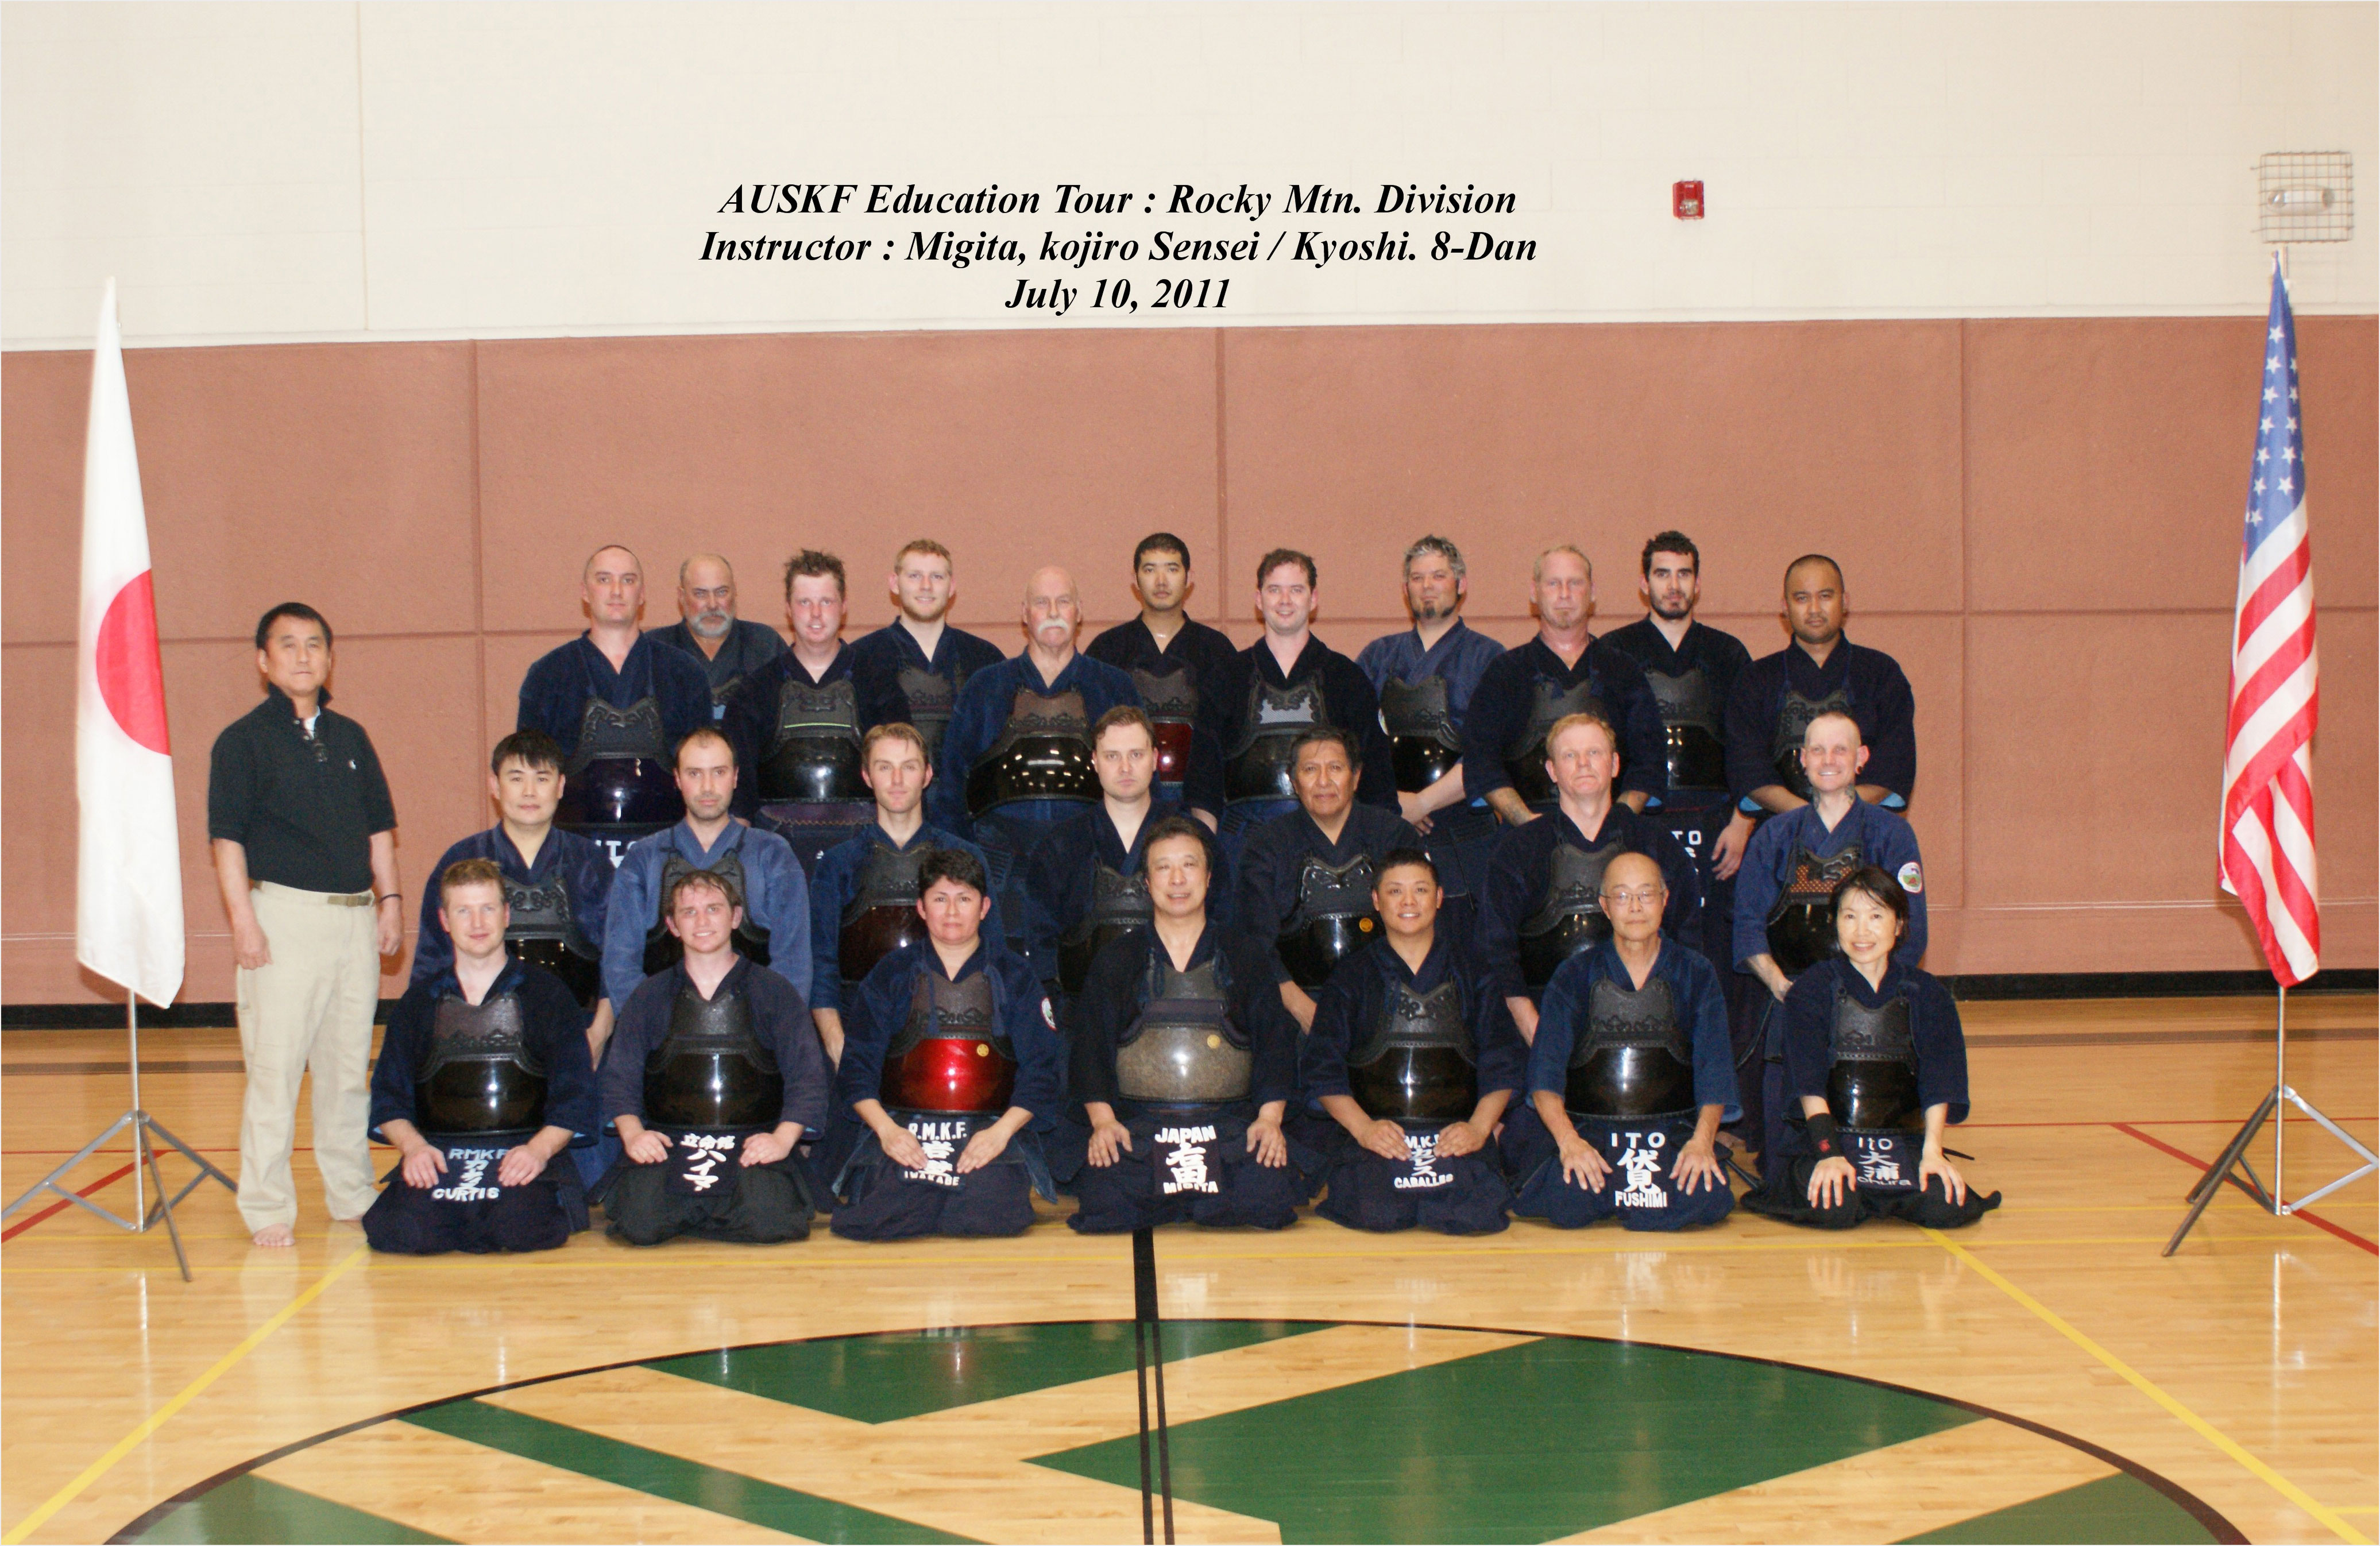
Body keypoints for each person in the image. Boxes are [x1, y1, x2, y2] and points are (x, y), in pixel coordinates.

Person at [208, 602, 403, 1250]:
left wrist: (390, 899)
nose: (301, 655)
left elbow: (379, 828)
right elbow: (227, 840)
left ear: (329, 657)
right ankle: (265, 1202)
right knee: (276, 1067)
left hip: (353, 921)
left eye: (313, 643)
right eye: (286, 645)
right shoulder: (241, 742)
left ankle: (350, 1191)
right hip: (284, 919)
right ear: (263, 661)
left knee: (348, 1069)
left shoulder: (351, 736)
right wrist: (244, 923)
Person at [1066, 817, 1304, 1232]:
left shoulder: (1245, 954)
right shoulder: (1117, 959)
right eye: (1163, 867)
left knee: (1268, 1196)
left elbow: (1275, 1044)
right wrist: (1104, 1123)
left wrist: (1269, 1120)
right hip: (1143, 1125)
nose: (1177, 879)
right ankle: (1190, 1200)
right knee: (1105, 1199)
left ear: (1209, 878)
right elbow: (1091, 1048)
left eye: (1189, 866)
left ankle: (1179, 1200)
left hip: (1227, 1125)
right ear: (1146, 881)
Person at [1600, 532, 1759, 1129]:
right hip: (1641, 824)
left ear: (1698, 581)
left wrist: (1744, 818)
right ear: (1643, 583)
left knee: (1710, 962)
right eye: (1662, 574)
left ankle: (1720, 1107)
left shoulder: (1727, 653)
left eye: (1683, 573)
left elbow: (1747, 744)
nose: (1673, 585)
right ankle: (1639, 1095)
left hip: (1716, 824)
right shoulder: (1614, 652)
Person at [824, 849, 1065, 1239]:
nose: (952, 912)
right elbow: (857, 1068)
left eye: (964, 899)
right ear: (921, 908)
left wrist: (1000, 1135)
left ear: (985, 907)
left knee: (992, 1216)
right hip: (906, 1124)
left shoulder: (1015, 975)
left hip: (986, 1127)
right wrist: (887, 1132)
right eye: (940, 899)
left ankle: (938, 1197)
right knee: (875, 1220)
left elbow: (1042, 1072)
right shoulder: (891, 974)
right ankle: (927, 1195)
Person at [364, 860, 597, 1254]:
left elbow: (576, 1096)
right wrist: (414, 1148)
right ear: (444, 920)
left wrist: (538, 1152)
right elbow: (388, 1097)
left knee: (519, 1230)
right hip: (441, 1152)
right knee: (399, 1233)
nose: (477, 922)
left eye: (488, 908)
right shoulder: (418, 1003)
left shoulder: (548, 996)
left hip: (521, 1149)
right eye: (463, 911)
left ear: (507, 915)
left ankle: (481, 1216)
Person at [1745, 867, 1997, 1230]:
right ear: (1835, 924)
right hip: (1827, 1138)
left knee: (1945, 1207)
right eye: (1850, 917)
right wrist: (1828, 1154)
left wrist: (1932, 1153)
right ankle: (1866, 1195)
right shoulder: (1812, 989)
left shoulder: (1928, 993)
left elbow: (1941, 1080)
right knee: (1835, 1206)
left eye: (1876, 916)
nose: (1862, 931)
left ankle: (1884, 1195)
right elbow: (1808, 1082)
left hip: (1898, 1141)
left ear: (1899, 925)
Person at [1504, 852, 1738, 1231]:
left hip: (1668, 1129)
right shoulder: (1573, 974)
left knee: (1706, 1199)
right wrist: (1569, 1143)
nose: (1635, 907)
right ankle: (1628, 1198)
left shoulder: (1696, 971)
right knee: (1569, 1205)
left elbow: (1716, 1066)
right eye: (1622, 896)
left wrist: (1702, 1142)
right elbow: (1545, 1074)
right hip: (1593, 1130)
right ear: (1604, 906)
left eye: (1646, 895)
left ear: (1665, 900)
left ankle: (1627, 1198)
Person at [597, 868, 830, 1245]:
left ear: (736, 917)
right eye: (688, 912)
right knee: (641, 1225)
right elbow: (621, 1074)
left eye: (713, 909)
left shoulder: (774, 991)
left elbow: (807, 1076)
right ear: (672, 925)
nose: (702, 921)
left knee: (770, 1224)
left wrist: (782, 1140)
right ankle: (704, 1210)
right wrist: (634, 1134)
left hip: (750, 1140)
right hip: (672, 1141)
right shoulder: (650, 996)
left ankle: (708, 1210)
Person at [1734, 710, 1928, 1160]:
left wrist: (1869, 994)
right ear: (1801, 759)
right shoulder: (1774, 835)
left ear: (1861, 758)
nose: (1828, 760)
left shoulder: (1893, 834)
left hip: (1869, 1002)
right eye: (1817, 750)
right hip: (1791, 997)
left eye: (1840, 750)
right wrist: (1779, 984)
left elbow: (1911, 928)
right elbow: (1747, 925)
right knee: (1785, 1160)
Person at [1299, 850, 1521, 1235]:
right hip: (1379, 1134)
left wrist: (1479, 1129)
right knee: (1378, 1214)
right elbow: (1322, 1068)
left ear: (1438, 897)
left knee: (1472, 1216)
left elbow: (1502, 1060)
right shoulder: (1352, 976)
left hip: (1453, 1133)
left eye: (1420, 890)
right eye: (1395, 891)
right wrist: (1365, 1129)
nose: (1408, 902)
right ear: (1376, 900)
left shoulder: (1473, 970)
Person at [930, 566, 1140, 954]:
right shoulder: (986, 688)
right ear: (1025, 613)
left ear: (1080, 611)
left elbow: (1144, 787)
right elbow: (952, 793)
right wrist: (962, 875)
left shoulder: (1114, 687)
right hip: (1002, 869)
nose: (1054, 611)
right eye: (1042, 603)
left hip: (1091, 865)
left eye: (1063, 601)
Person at [1477, 713, 1698, 1049]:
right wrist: (1536, 1032)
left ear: (1614, 764)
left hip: (1647, 1024)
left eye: (1594, 753)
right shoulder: (1518, 849)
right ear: (1552, 771)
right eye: (1569, 755)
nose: (1583, 764)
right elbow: (1496, 949)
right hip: (1544, 1019)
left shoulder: (1654, 843)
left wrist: (1673, 1020)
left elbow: (1688, 938)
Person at [806, 723, 1000, 1067]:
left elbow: (995, 959)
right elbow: (823, 966)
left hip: (952, 1028)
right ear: (867, 776)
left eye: (909, 767)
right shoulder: (837, 864)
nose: (897, 780)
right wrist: (838, 1044)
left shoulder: (966, 856)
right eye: (885, 767)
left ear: (927, 775)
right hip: (861, 1029)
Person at [1199, 548, 1396, 883]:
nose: (1285, 600)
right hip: (1242, 848)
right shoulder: (1227, 676)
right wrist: (1209, 857)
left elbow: (1377, 783)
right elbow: (1203, 782)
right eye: (1275, 589)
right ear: (1258, 599)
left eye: (1297, 589)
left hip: (1333, 846)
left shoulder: (1346, 677)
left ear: (1313, 599)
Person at [516, 545, 713, 865]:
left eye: (628, 580)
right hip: (574, 853)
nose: (617, 591)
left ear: (643, 593)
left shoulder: (684, 673)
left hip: (667, 852)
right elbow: (528, 777)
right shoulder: (548, 675)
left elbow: (707, 772)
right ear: (585, 592)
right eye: (604, 580)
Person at [412, 731, 613, 1039]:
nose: (529, 792)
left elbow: (617, 961)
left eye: (542, 779)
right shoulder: (461, 859)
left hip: (577, 1031)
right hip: (477, 1031)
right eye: (516, 778)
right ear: (495, 785)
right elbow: (431, 963)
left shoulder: (591, 863)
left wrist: (598, 1035)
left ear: (561, 786)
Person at [602, 727, 811, 1014]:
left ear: (736, 777)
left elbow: (794, 963)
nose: (708, 787)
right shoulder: (643, 858)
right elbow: (620, 964)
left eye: (719, 772)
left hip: (756, 1036)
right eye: (694, 774)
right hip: (662, 1038)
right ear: (677, 779)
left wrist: (766, 1031)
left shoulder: (773, 854)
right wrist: (653, 1029)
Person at [1355, 534, 1506, 922]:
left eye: (1438, 576)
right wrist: (1393, 801)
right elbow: (1353, 744)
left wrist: (1421, 803)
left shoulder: (1490, 658)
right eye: (1418, 578)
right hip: (1389, 826)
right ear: (1406, 589)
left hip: (1465, 830)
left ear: (1461, 584)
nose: (1427, 586)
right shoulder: (1377, 656)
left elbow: (1492, 752)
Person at [1234, 727, 1421, 1031]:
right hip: (1295, 1005)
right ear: (1294, 782)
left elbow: (1419, 926)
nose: (1323, 781)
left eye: (1335, 768)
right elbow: (1254, 944)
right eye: (1310, 770)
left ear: (1356, 777)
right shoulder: (1266, 845)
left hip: (1387, 1001)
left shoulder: (1394, 835)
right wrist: (1303, 1010)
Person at [1462, 544, 1664, 823]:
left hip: (1613, 833)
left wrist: (1617, 823)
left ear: (1592, 592)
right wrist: (1527, 824)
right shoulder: (1505, 672)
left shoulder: (1622, 669)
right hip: (1525, 833)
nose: (1565, 594)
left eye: (1575, 583)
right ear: (1534, 592)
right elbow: (1481, 761)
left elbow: (1649, 760)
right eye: (1554, 583)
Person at [1724, 554, 1916, 815]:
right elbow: (1747, 768)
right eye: (1802, 598)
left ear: (1845, 601)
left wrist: (1836, 812)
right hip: (1780, 831)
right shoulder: (1756, 679)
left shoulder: (1881, 673)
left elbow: (1894, 765)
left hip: (1865, 829)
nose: (1814, 609)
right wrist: (1807, 817)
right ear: (1785, 606)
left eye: (1825, 596)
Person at [725, 550, 871, 876]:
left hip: (862, 852)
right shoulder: (754, 691)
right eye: (805, 602)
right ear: (789, 610)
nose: (816, 614)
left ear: (844, 606)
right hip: (777, 854)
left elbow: (900, 779)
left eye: (827, 602)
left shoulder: (877, 685)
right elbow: (740, 790)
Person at [1023, 707, 1174, 1000]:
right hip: (1082, 1011)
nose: (1125, 768)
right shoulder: (1060, 845)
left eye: (1136, 755)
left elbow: (1219, 927)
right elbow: (1041, 943)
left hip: (1172, 1008)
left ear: (1155, 759)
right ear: (1095, 761)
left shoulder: (1189, 839)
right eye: (1112, 756)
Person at [1084, 532, 1236, 813]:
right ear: (1135, 580)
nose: (1162, 581)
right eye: (1150, 570)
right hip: (1125, 801)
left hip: (1200, 802)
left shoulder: (1216, 650)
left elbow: (1226, 741)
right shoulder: (1107, 650)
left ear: (1189, 579)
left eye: (1172, 569)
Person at [848, 539, 1006, 780]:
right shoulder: (861, 658)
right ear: (894, 583)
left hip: (964, 809)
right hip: (888, 809)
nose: (926, 586)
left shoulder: (985, 660)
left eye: (937, 577)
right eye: (914, 576)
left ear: (952, 587)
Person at [651, 552, 787, 718]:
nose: (713, 604)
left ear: (735, 591)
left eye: (721, 592)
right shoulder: (655, 648)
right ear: (682, 596)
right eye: (700, 594)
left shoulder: (766, 644)